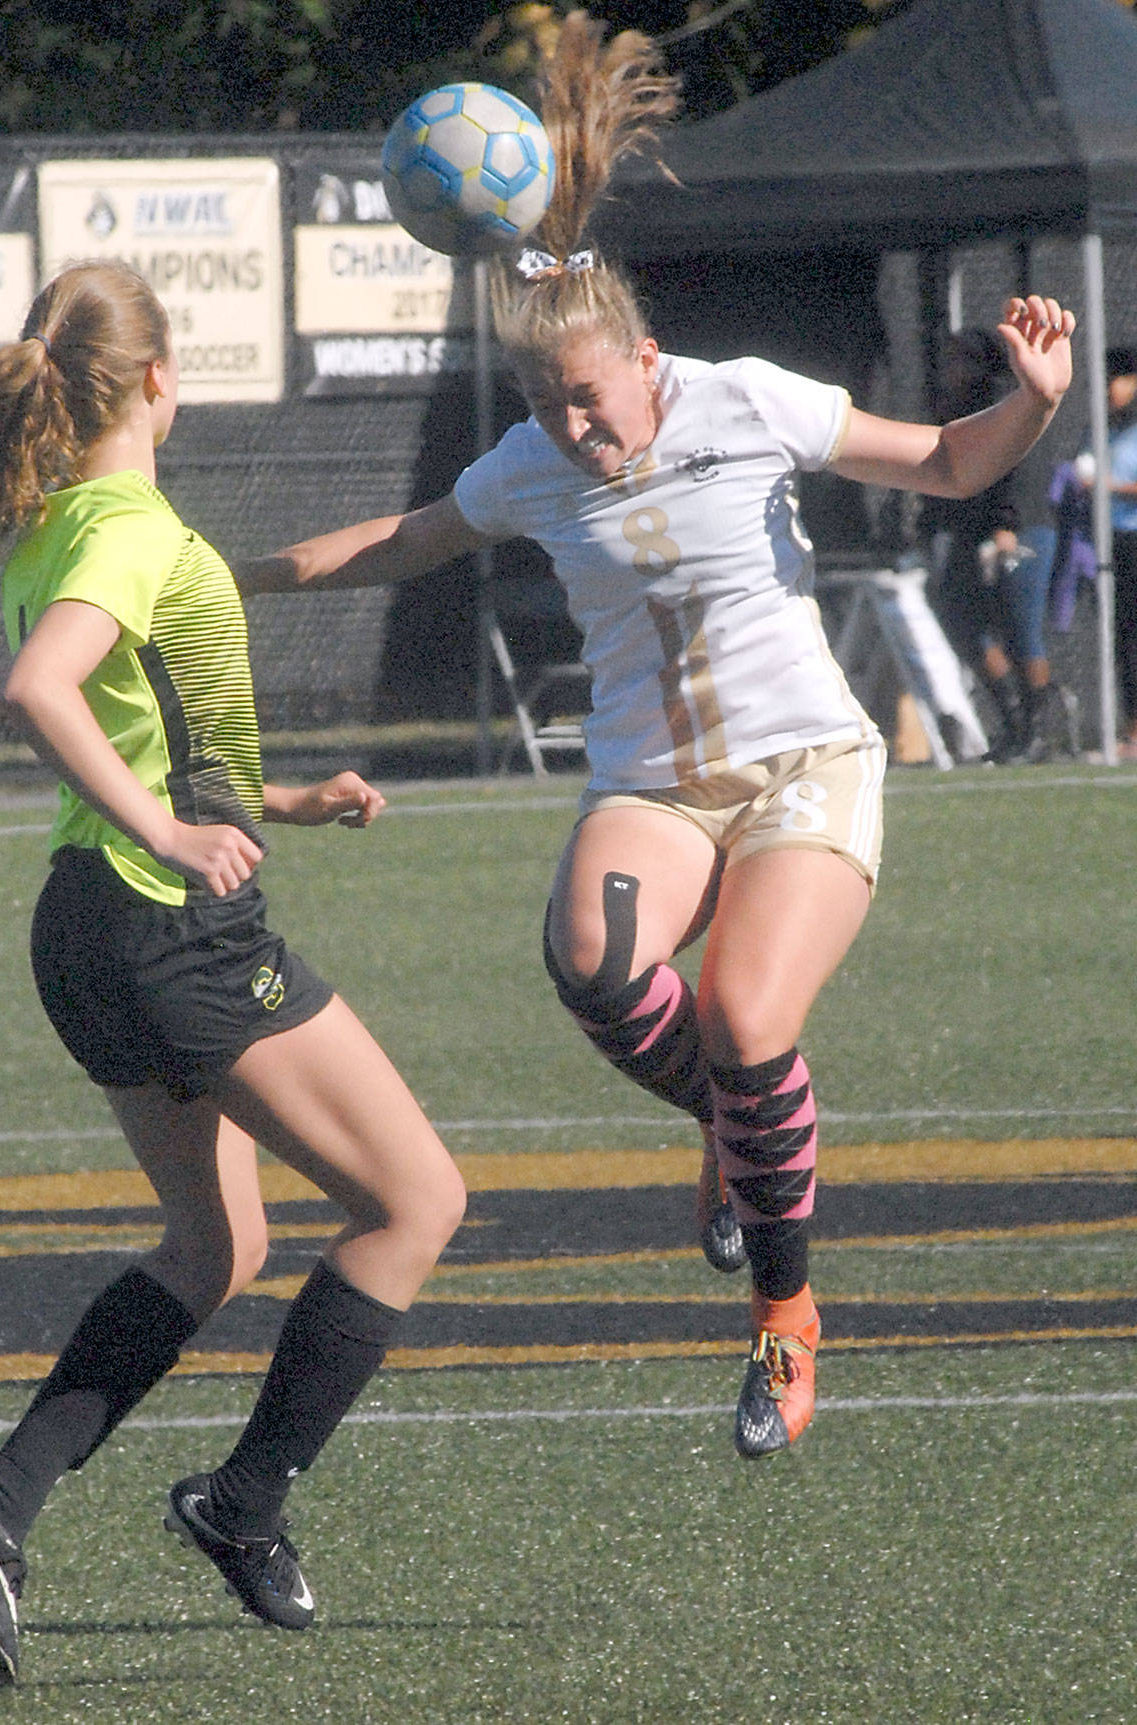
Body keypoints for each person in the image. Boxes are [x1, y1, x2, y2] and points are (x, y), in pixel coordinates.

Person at [239, 13, 1075, 1466]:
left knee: (751, 1021)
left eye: (588, 395)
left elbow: (948, 466)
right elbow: (401, 539)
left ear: (645, 356)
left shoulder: (746, 399)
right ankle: (743, 1131)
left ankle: (787, 1319)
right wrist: (226, 575)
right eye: (546, 405)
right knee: (594, 969)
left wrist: (1034, 406)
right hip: (654, 782)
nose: (572, 427)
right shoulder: (526, 463)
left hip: (806, 763)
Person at [0, 259, 467, 1685]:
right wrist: (168, 824)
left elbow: (131, 714)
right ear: (161, 380)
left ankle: (1, 1500)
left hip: (87, 928)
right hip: (159, 918)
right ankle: (241, 1505)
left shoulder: (47, 521)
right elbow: (46, 689)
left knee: (216, 1245)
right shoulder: (130, 523)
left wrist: (272, 804)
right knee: (417, 1200)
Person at [921, 327, 1076, 763]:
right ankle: (1012, 720)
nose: (952, 370)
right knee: (959, 617)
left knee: (1020, 629)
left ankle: (1038, 731)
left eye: (961, 359)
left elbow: (1021, 467)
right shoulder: (951, 408)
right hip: (970, 531)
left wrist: (1007, 523)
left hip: (1018, 528)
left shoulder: (1009, 400)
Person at [1075, 345, 1137, 757]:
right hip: (1109, 539)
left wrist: (1107, 487)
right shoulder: (1099, 430)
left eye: (1118, 379)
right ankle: (1132, 730)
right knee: (1122, 637)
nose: (1110, 389)